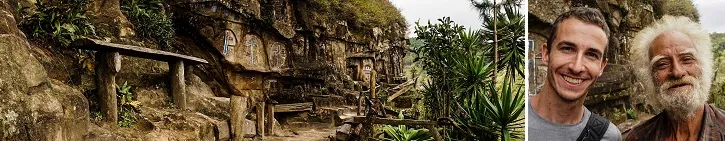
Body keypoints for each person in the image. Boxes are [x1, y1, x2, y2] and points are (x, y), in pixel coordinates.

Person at [623, 15, 725, 141]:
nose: (677, 72)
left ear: (703, 66)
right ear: (650, 78)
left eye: (687, 59)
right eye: (662, 64)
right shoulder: (638, 137)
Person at [528, 7, 622, 141]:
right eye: (567, 49)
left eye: (591, 55)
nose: (577, 67)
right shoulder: (514, 119)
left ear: (602, 67)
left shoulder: (609, 136)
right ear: (546, 54)